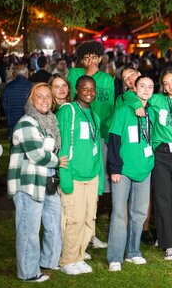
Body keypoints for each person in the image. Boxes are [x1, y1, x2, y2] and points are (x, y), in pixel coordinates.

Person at [7, 83, 68, 282]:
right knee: (29, 229)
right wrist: (57, 161)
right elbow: (36, 154)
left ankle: (49, 261)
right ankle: (28, 272)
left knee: (53, 223)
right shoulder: (26, 123)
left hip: (48, 181)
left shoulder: (50, 122)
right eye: (39, 96)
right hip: (29, 183)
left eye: (48, 96)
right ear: (32, 100)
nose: (44, 100)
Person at [132, 69, 172, 260]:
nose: (170, 86)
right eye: (166, 83)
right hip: (162, 156)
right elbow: (130, 95)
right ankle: (168, 245)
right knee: (163, 201)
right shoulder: (158, 100)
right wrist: (136, 104)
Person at [106, 75, 155, 271]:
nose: (146, 89)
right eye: (142, 86)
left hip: (144, 168)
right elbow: (114, 139)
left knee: (140, 212)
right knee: (119, 213)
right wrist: (115, 167)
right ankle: (115, 257)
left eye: (150, 86)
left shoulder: (151, 112)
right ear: (134, 88)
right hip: (123, 169)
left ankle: (133, 252)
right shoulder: (123, 111)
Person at [68, 41, 114, 248]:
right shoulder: (74, 75)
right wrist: (88, 73)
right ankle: (77, 234)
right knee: (79, 185)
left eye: (94, 57)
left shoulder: (107, 79)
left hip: (100, 136)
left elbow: (110, 108)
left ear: (100, 58)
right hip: (80, 137)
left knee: (95, 188)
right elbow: (72, 99)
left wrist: (107, 135)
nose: (90, 61)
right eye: (86, 58)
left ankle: (90, 233)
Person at [57, 76, 104, 275]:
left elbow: (97, 149)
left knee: (88, 219)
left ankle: (79, 256)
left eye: (92, 89)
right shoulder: (68, 111)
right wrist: (65, 177)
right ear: (76, 90)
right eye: (84, 88)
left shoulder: (94, 115)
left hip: (91, 176)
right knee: (73, 219)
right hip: (74, 175)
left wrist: (100, 180)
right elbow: (63, 145)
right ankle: (67, 260)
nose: (89, 92)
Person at [3, 65, 32, 140]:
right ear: (26, 73)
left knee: (13, 143)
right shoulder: (31, 86)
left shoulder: (8, 86)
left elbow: (4, 105)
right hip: (27, 120)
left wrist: (8, 116)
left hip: (12, 120)